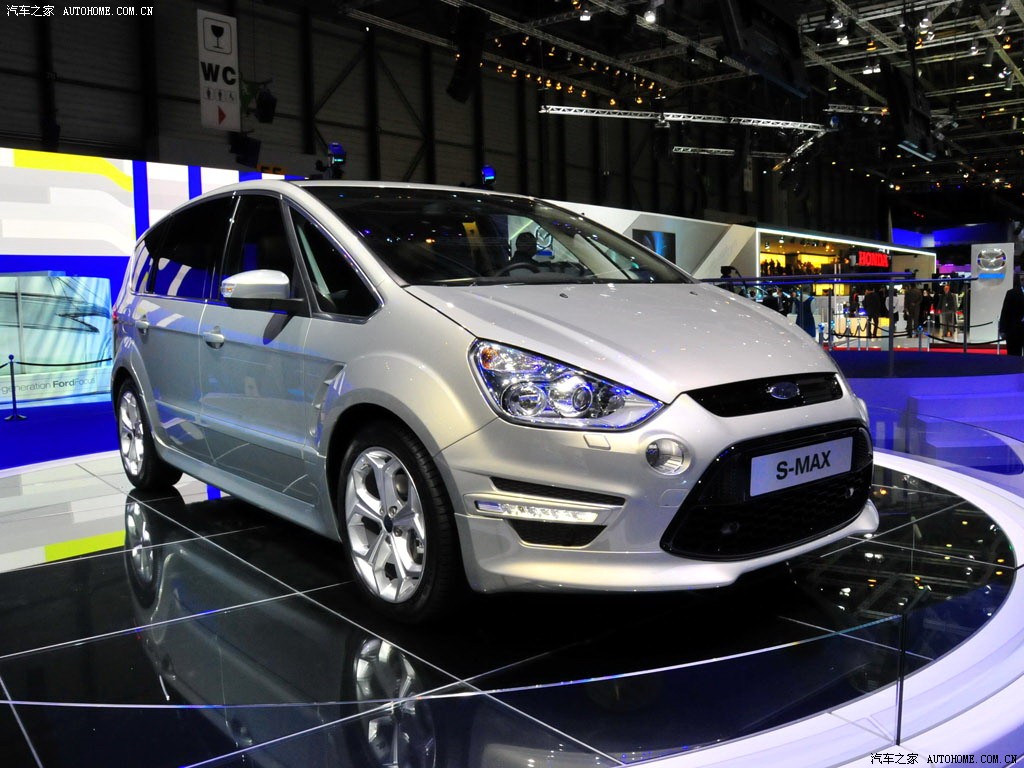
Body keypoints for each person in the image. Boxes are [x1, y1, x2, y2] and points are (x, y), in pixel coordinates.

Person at [999, 274, 1024, 356]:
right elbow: (1005, 312)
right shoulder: (1011, 293)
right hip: (1014, 330)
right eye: (1022, 279)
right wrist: (1002, 330)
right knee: (1014, 356)